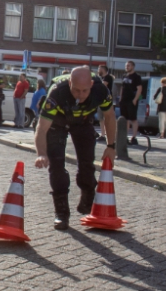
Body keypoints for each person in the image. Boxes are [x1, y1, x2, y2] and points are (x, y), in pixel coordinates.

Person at [34, 66, 117, 230]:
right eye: (76, 90)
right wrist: (41, 154)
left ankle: (87, 195)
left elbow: (110, 117)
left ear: (91, 85)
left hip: (83, 122)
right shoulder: (57, 93)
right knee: (56, 166)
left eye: (85, 91)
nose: (80, 95)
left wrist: (111, 146)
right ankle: (61, 213)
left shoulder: (101, 91)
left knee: (87, 165)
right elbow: (42, 128)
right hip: (57, 123)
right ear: (70, 82)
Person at [120, 60, 143, 145]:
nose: (127, 67)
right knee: (125, 119)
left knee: (133, 119)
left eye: (128, 66)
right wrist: (120, 98)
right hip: (124, 100)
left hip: (131, 100)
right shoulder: (124, 76)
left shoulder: (136, 77)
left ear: (133, 66)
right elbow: (122, 88)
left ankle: (134, 137)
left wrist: (135, 99)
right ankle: (125, 137)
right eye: (126, 65)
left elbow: (139, 89)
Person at [96, 64, 115, 140]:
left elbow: (103, 86)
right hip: (100, 99)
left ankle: (110, 135)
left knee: (107, 117)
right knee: (101, 118)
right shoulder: (100, 78)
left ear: (103, 69)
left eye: (99, 69)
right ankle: (103, 135)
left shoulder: (108, 77)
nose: (98, 70)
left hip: (106, 100)